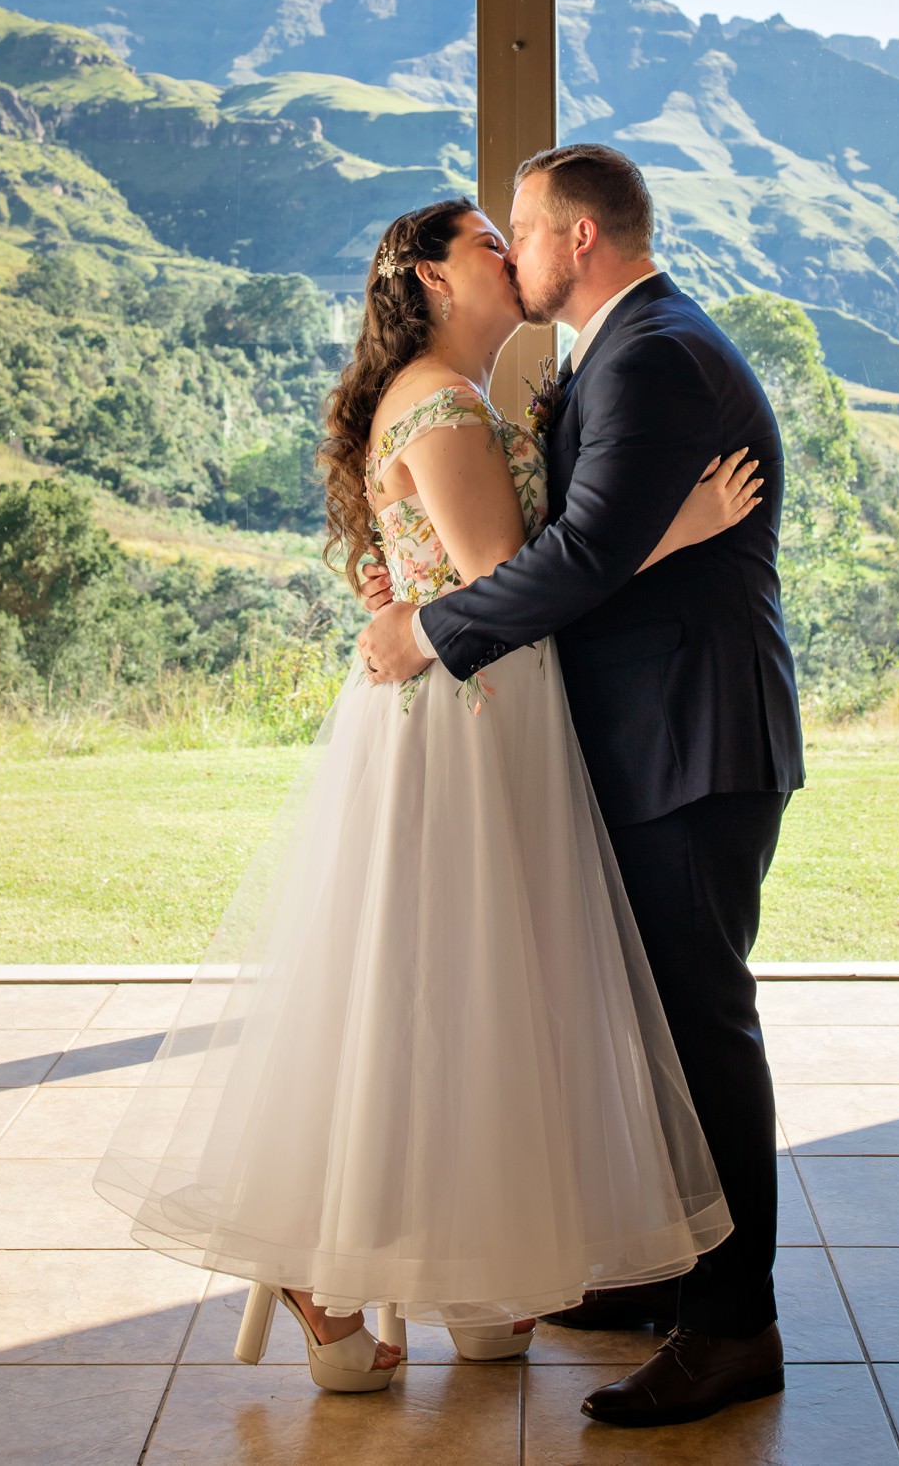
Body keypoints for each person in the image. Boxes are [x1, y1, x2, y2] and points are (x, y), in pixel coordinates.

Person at [92, 191, 760, 1397]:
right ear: (434, 281)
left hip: (490, 712)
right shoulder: (443, 403)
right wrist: (679, 528)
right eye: (486, 245)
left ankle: (464, 1267)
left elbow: (519, 568)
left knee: (479, 996)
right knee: (435, 993)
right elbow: (517, 573)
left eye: (518, 237)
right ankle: (328, 1268)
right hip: (461, 721)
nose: (508, 257)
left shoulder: (472, 398)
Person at [359, 143, 806, 1429]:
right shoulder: (619, 350)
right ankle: (673, 1275)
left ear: (581, 241)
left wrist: (431, 633)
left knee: (703, 1025)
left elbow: (586, 553)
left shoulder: (653, 352)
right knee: (662, 1027)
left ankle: (734, 1329)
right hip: (650, 736)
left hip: (691, 742)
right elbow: (567, 543)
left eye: (524, 229)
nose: (512, 246)